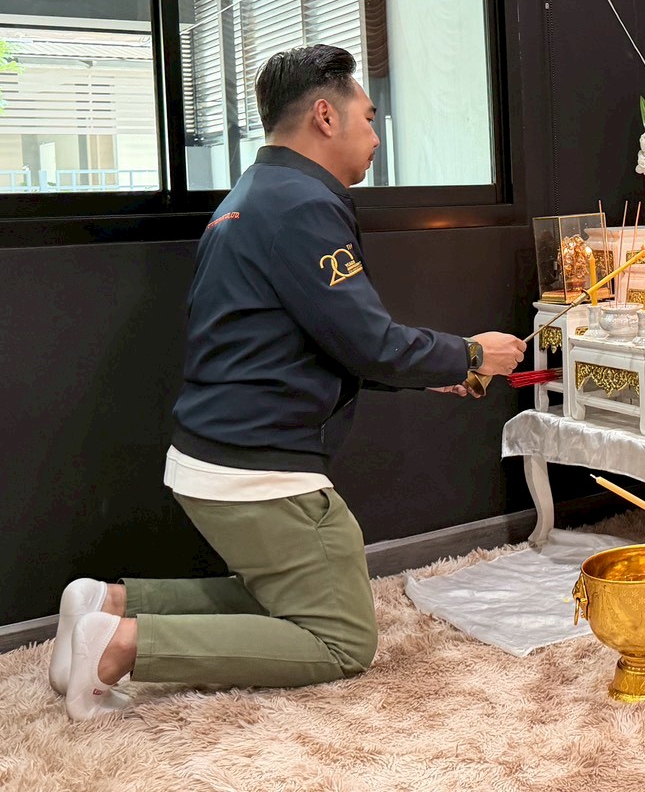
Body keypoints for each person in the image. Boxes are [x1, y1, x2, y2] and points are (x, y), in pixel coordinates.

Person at [48, 45, 526, 721]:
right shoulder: (302, 206)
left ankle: (109, 604)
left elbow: (320, 342)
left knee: (303, 601)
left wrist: (439, 374)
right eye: (368, 115)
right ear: (325, 116)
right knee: (341, 638)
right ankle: (122, 646)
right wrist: (470, 355)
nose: (375, 134)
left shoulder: (254, 196)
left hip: (216, 452)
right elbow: (366, 340)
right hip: (258, 470)